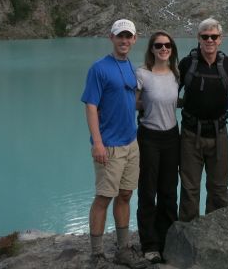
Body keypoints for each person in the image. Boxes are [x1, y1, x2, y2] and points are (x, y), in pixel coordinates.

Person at [81, 19, 149, 269]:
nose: (124, 41)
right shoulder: (99, 68)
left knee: (125, 194)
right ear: (111, 38)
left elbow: (131, 99)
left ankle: (123, 249)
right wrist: (97, 143)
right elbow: (90, 106)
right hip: (109, 145)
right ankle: (97, 255)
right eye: (120, 36)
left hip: (131, 143)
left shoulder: (130, 66)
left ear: (134, 39)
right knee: (103, 198)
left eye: (128, 36)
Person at [177, 17, 228, 222]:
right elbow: (167, 92)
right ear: (199, 38)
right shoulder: (187, 64)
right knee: (189, 188)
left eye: (214, 36)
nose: (210, 40)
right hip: (190, 134)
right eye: (205, 36)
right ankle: (187, 235)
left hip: (219, 133)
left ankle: (215, 236)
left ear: (220, 39)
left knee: (218, 189)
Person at [135, 31, 181, 264]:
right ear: (151, 49)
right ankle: (150, 243)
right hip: (149, 137)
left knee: (169, 190)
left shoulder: (176, 74)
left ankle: (168, 239)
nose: (164, 48)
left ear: (172, 49)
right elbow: (132, 102)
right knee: (148, 190)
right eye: (158, 45)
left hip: (172, 136)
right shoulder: (142, 74)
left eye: (167, 45)